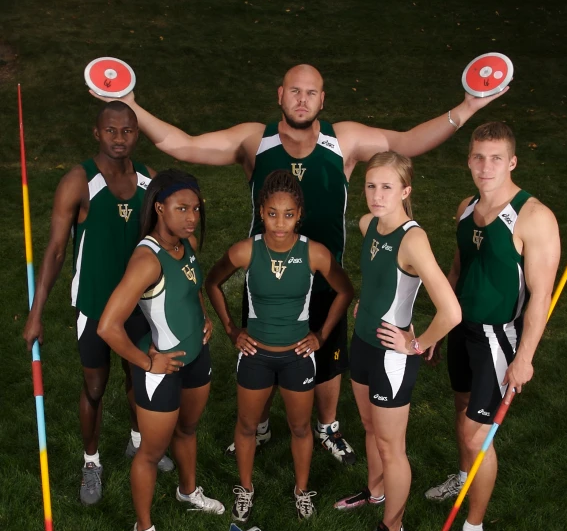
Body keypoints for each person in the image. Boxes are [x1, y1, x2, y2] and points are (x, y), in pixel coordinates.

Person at [91, 64, 505, 465]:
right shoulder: (255, 141)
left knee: (324, 360)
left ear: (322, 99)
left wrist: (467, 106)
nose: (302, 99)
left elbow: (409, 142)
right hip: (267, 278)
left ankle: (327, 426)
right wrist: (130, 103)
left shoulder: (345, 140)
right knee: (263, 347)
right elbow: (181, 144)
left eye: (311, 92)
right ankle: (261, 424)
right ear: (280, 96)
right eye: (294, 90)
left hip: (325, 276)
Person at [22, 101, 174, 509]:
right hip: (94, 306)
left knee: (139, 379)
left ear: (136, 134)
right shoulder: (79, 181)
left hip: (140, 306)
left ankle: (138, 440)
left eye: (127, 131)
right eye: (111, 131)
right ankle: (92, 461)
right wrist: (36, 314)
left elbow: (170, 241)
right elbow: (55, 251)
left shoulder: (150, 181)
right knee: (94, 387)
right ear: (97, 133)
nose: (119, 138)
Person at [424, 122, 560, 531]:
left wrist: (524, 358)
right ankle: (463, 479)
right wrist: (442, 328)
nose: (486, 167)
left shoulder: (533, 216)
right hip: (463, 328)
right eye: (479, 157)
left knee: (476, 435)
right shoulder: (466, 208)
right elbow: (458, 269)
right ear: (468, 159)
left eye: (496, 158)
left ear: (513, 161)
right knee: (460, 407)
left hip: (498, 337)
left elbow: (541, 296)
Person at [205, 170, 354, 521]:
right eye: (272, 214)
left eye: (288, 215)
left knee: (301, 428)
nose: (280, 223)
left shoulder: (314, 253)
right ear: (261, 212)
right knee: (246, 425)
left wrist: (320, 335)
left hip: (296, 358)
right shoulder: (246, 250)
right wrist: (230, 329)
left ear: (299, 213)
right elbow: (212, 281)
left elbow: (345, 290)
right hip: (255, 356)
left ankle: (302, 491)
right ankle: (246, 488)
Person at [332, 152, 461, 531]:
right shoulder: (370, 223)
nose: (376, 194)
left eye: (387, 187)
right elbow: (377, 277)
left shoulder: (413, 239)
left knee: (392, 447)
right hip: (363, 342)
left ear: (406, 191)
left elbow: (451, 312)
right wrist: (366, 303)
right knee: (370, 429)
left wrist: (417, 344)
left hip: (392, 357)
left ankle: (393, 530)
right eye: (371, 185)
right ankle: (375, 492)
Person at [98, 169, 224, 531]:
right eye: (182, 208)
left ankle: (188, 491)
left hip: (195, 357)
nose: (191, 217)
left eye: (196, 209)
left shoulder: (184, 245)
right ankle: (144, 528)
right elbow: (107, 326)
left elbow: (192, 289)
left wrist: (204, 318)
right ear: (159, 208)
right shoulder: (146, 259)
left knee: (187, 429)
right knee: (150, 453)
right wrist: (146, 361)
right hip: (162, 368)